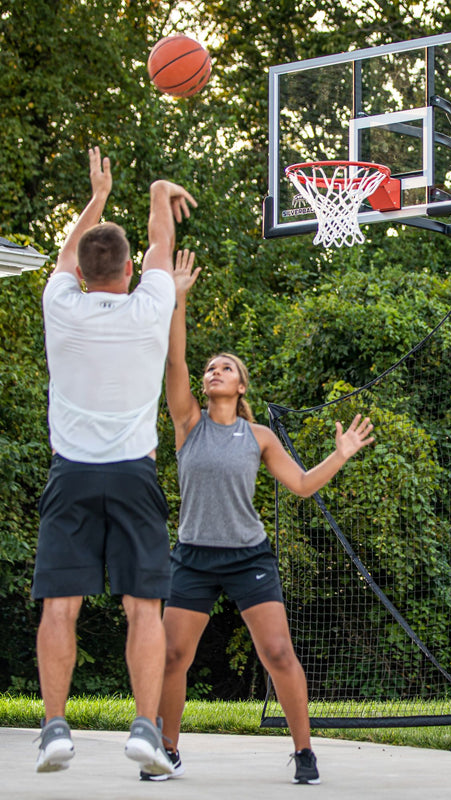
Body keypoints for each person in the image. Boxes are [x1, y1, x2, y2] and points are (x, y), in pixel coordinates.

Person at [142, 249, 374, 785]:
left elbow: (300, 486)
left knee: (276, 651)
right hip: (195, 556)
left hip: (249, 555)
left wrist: (339, 455)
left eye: (225, 367)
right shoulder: (188, 424)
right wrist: (177, 300)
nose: (213, 371)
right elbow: (174, 363)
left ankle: (304, 752)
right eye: (210, 368)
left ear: (241, 385)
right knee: (174, 654)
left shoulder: (259, 437)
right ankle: (167, 749)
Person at [31, 147, 197, 777]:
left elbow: (69, 255)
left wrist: (96, 197)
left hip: (70, 473)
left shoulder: (60, 305)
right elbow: (161, 244)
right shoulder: (150, 306)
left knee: (59, 605)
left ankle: (53, 729)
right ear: (128, 270)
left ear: (79, 271)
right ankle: (147, 730)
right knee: (143, 607)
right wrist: (158, 192)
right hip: (133, 473)